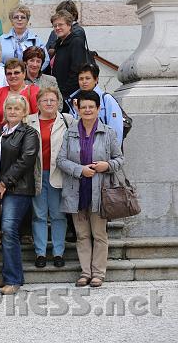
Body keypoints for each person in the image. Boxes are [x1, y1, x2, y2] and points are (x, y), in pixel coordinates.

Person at [57, 90, 123, 288]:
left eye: (91, 107)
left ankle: (98, 273)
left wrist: (107, 166)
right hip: (77, 190)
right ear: (77, 108)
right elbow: (60, 160)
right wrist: (80, 170)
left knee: (99, 234)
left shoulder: (108, 132)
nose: (87, 110)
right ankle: (85, 272)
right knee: (82, 235)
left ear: (98, 109)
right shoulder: (70, 132)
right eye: (83, 107)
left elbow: (120, 159)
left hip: (99, 191)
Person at [0, 95, 39, 295]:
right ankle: (11, 274)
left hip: (18, 189)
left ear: (24, 112)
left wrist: (5, 182)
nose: (13, 111)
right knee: (5, 232)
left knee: (8, 230)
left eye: (17, 108)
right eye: (9, 108)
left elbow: (26, 160)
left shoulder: (29, 133)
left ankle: (13, 279)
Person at [29, 87, 74, 269]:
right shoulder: (28, 120)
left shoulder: (68, 120)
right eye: (44, 100)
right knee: (39, 215)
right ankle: (40, 252)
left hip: (59, 173)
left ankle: (58, 252)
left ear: (58, 103)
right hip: (37, 174)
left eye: (52, 100)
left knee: (58, 215)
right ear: (38, 103)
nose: (48, 103)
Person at [67, 63, 125, 146]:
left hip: (103, 152)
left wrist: (113, 153)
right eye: (81, 79)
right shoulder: (74, 101)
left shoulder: (106, 99)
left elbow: (116, 130)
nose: (84, 82)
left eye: (87, 78)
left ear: (96, 79)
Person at [0, 59, 39, 135]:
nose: (13, 76)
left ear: (24, 74)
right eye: (9, 73)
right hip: (0, 139)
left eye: (16, 73)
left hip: (27, 139)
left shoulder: (34, 91)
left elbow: (38, 117)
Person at [51, 10, 91, 111]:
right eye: (55, 26)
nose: (57, 28)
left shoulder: (76, 42)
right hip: (60, 95)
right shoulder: (59, 43)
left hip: (69, 97)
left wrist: (63, 93)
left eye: (60, 24)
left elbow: (77, 70)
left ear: (69, 25)